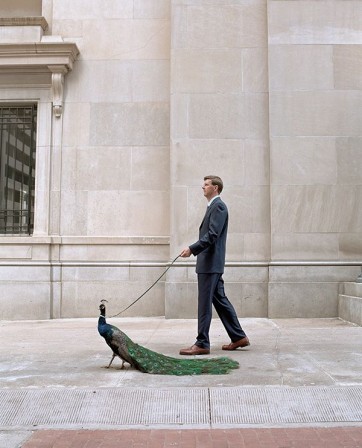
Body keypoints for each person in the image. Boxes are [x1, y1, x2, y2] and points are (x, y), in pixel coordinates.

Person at [179, 175, 250, 355]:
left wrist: (192, 249)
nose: (203, 187)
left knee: (204, 303)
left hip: (210, 264)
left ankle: (202, 342)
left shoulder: (218, 206)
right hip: (211, 264)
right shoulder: (214, 206)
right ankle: (238, 336)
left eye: (206, 184)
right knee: (220, 301)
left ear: (215, 188)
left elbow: (212, 235)